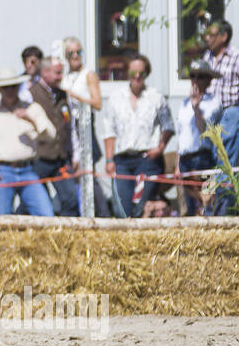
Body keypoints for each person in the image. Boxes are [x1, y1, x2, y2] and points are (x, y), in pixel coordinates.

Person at [99, 54, 174, 218]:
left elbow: (168, 126)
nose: (137, 77)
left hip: (147, 159)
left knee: (142, 205)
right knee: (122, 207)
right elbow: (109, 130)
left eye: (142, 73)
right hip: (122, 159)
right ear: (127, 74)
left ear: (147, 74)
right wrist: (109, 160)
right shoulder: (115, 98)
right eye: (133, 73)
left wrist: (160, 148)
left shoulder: (156, 97)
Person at [0, 67, 57, 216]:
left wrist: (30, 119)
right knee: (2, 218)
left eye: (13, 87)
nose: (10, 91)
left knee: (47, 216)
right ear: (0, 89)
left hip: (28, 169)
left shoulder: (31, 109)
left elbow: (51, 135)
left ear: (18, 87)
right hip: (3, 171)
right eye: (6, 88)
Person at [62, 35, 108, 215]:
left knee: (89, 174)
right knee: (76, 175)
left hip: (85, 126)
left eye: (78, 52)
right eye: (71, 53)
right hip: (70, 127)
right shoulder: (66, 77)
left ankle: (102, 213)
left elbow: (97, 103)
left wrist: (75, 96)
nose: (75, 56)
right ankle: (80, 213)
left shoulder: (88, 75)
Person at [28, 54, 79, 215]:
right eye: (57, 73)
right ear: (44, 72)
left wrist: (75, 154)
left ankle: (66, 234)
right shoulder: (30, 94)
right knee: (36, 201)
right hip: (39, 159)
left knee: (71, 198)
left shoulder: (64, 95)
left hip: (60, 159)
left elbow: (70, 127)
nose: (60, 77)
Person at [175, 60, 223, 216]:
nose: (195, 80)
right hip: (185, 158)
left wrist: (196, 108)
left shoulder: (214, 102)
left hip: (202, 157)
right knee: (187, 207)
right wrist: (177, 163)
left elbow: (205, 131)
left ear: (208, 80)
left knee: (207, 202)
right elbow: (181, 136)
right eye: (193, 76)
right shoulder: (183, 104)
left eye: (200, 76)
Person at [201, 19, 239, 166]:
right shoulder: (207, 56)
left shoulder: (236, 56)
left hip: (230, 112)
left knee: (225, 160)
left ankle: (223, 189)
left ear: (224, 37)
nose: (207, 38)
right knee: (213, 158)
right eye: (206, 35)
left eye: (211, 35)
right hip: (211, 114)